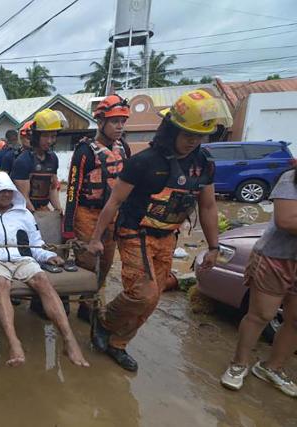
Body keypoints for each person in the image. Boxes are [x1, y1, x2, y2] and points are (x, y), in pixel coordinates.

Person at [88, 89, 230, 371]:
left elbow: (208, 207)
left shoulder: (203, 164)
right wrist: (96, 238)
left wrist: (214, 247)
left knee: (154, 298)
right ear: (171, 129)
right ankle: (104, 320)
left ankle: (119, 344)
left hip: (168, 235)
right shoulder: (144, 162)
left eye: (199, 136)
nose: (193, 142)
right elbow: (115, 200)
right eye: (188, 134)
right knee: (144, 293)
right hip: (134, 232)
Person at [0, 172, 89, 368]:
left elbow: (36, 243)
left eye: (9, 191)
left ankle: (69, 340)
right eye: (1, 191)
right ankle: (14, 342)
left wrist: (48, 256)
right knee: (1, 283)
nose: (7, 195)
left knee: (42, 281)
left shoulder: (24, 214)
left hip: (22, 259)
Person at [221, 167, 297, 397]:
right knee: (261, 314)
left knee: (295, 320)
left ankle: (272, 367)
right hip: (276, 258)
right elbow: (285, 220)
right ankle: (239, 363)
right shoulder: (291, 178)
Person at [62, 95, 130, 322]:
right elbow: (72, 190)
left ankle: (88, 303)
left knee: (107, 261)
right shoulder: (84, 151)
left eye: (122, 121)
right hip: (87, 213)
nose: (120, 126)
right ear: (101, 122)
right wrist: (68, 228)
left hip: (113, 214)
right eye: (114, 121)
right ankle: (82, 303)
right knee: (88, 262)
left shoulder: (124, 148)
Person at [11, 109, 64, 213]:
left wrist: (58, 210)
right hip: (24, 212)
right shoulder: (23, 161)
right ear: (36, 136)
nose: (49, 141)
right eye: (45, 136)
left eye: (53, 136)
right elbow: (23, 198)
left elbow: (52, 189)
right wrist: (38, 216)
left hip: (42, 210)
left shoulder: (53, 158)